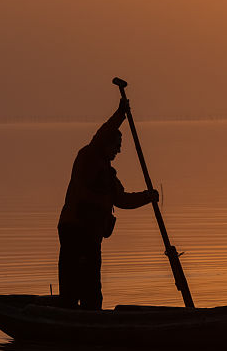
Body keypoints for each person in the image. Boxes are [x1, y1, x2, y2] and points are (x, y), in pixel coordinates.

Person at [58, 99, 158, 309]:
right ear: (107, 144)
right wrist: (121, 113)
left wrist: (148, 196)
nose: (118, 152)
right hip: (75, 231)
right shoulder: (88, 157)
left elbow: (123, 200)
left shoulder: (109, 177)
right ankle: (67, 317)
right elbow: (103, 134)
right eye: (116, 146)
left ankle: (90, 316)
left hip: (92, 235)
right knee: (71, 287)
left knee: (92, 291)